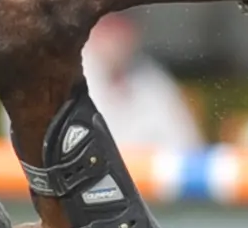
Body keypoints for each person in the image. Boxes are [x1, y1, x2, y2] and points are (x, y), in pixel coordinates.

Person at [78, 12, 205, 165]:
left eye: (123, 24)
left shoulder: (154, 82)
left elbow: (189, 151)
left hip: (147, 186)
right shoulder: (71, 81)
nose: (117, 35)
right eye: (107, 24)